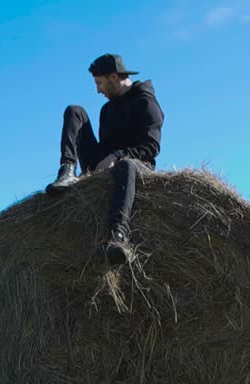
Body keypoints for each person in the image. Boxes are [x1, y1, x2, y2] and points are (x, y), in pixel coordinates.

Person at [45, 53, 164, 265]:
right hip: (105, 166)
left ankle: (118, 236)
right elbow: (104, 148)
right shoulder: (107, 109)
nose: (97, 90)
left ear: (114, 77)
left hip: (137, 168)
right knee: (75, 111)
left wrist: (117, 156)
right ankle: (67, 170)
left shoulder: (147, 103)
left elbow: (151, 147)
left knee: (126, 165)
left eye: (99, 83)